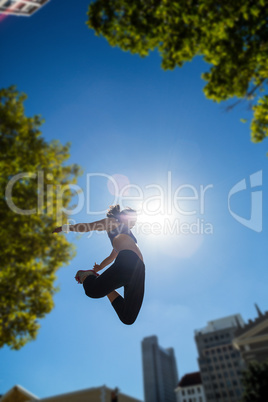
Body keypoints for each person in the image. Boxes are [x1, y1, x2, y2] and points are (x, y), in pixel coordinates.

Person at [52, 205, 145, 325]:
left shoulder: (126, 236)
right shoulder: (112, 222)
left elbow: (112, 257)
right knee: (92, 290)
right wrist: (64, 228)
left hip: (139, 270)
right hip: (128, 261)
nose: (134, 223)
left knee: (128, 318)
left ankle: (105, 285)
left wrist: (100, 266)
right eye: (133, 219)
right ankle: (87, 275)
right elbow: (87, 227)